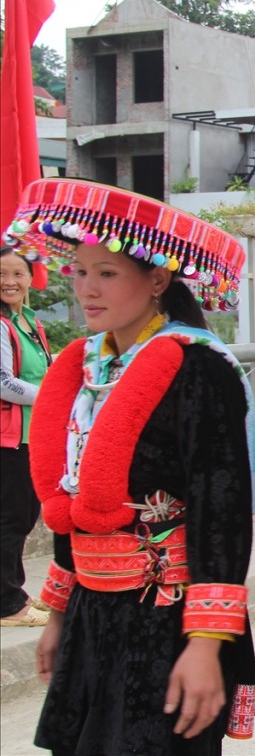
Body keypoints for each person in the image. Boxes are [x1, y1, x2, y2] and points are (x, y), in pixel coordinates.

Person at [8, 177, 255, 753]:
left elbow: (220, 512)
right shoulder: (90, 368)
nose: (86, 290)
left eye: (106, 273)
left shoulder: (201, 369)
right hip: (91, 612)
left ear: (157, 279)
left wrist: (206, 644)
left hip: (168, 617)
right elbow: (72, 498)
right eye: (79, 271)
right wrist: (57, 612)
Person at [1, 247, 53, 628]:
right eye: (2, 274)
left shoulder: (29, 322)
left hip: (31, 433)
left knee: (23, 514)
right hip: (8, 436)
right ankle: (7, 604)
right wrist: (54, 395)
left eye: (18, 273)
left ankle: (12, 590)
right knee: (12, 517)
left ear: (30, 279)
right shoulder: (1, 325)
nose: (9, 282)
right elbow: (3, 383)